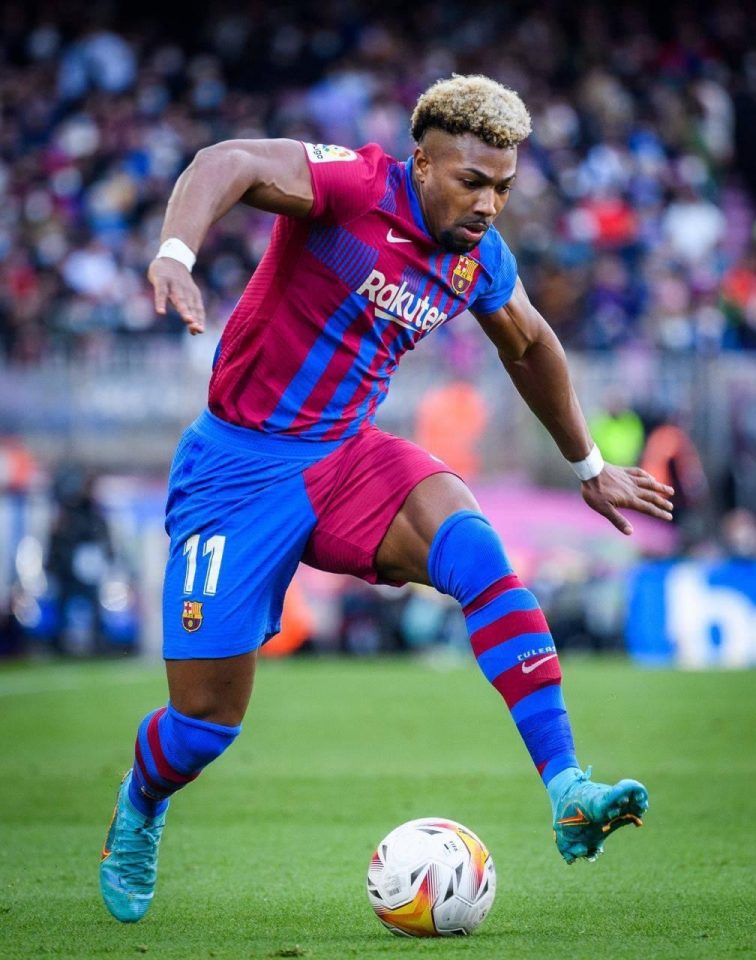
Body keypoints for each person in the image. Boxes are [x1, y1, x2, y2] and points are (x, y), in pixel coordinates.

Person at [99, 74, 674, 923]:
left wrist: (589, 465)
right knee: (204, 725)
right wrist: (175, 254)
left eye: (504, 187)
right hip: (236, 471)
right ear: (423, 164)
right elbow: (227, 161)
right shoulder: (354, 187)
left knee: (477, 551)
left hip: (347, 457)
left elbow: (529, 344)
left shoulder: (480, 258)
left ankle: (567, 787)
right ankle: (142, 801)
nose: (489, 204)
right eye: (472, 181)